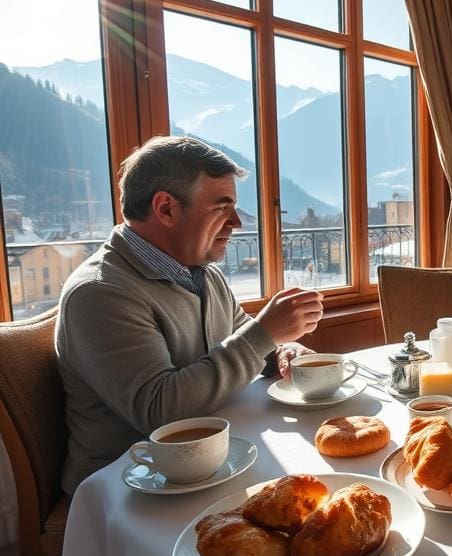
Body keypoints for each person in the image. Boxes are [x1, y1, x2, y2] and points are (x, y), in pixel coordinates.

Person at [56, 136, 326, 493]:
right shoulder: (100, 293)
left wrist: (281, 353)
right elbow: (161, 410)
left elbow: (242, 339)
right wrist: (265, 336)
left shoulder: (202, 272)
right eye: (221, 207)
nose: (237, 223)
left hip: (213, 462)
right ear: (166, 208)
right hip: (131, 485)